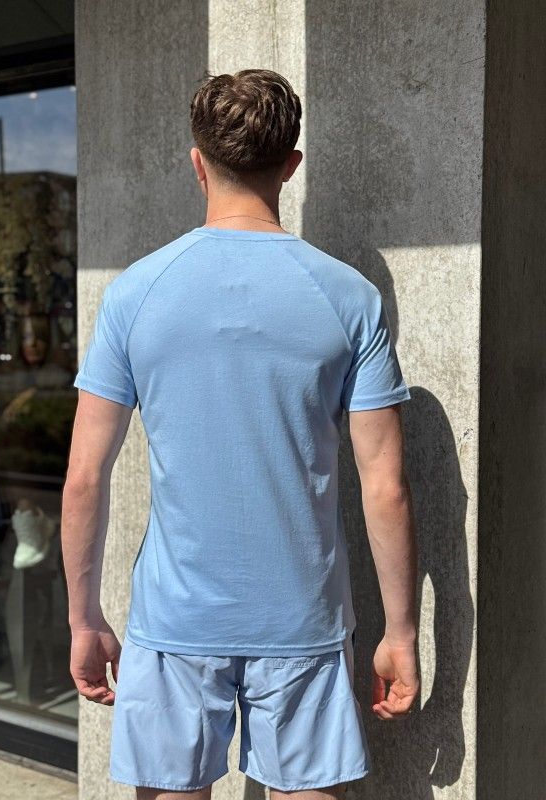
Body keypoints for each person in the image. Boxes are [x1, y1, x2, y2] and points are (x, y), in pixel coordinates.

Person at [61, 68, 420, 800]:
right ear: (290, 164)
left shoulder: (135, 292)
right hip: (303, 620)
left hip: (176, 618)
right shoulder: (350, 297)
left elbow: (85, 478)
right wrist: (401, 632)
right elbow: (385, 486)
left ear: (198, 164)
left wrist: (83, 618)